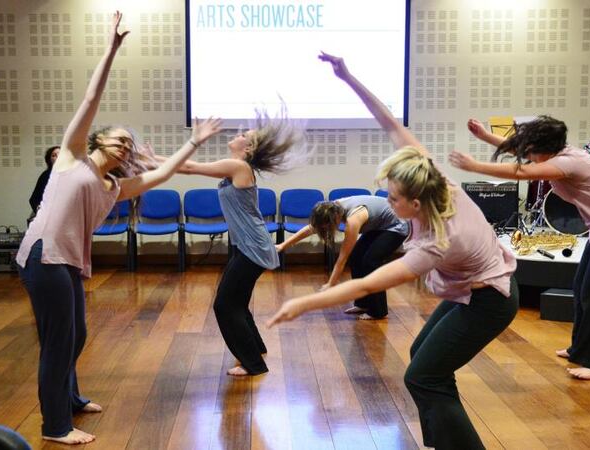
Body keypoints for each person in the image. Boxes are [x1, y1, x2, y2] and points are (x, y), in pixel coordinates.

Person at [268, 52, 518, 450]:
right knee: (423, 357)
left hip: (490, 301)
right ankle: (442, 442)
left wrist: (305, 303)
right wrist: (348, 77)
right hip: (472, 290)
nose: (387, 201)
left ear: (414, 204)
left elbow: (369, 283)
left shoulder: (439, 241)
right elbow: (389, 122)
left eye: (393, 198)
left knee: (423, 375)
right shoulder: (435, 180)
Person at [14, 12, 222, 445]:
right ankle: (55, 426)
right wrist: (111, 49)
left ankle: (70, 399)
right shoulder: (73, 158)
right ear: (97, 140)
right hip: (43, 254)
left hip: (66, 260)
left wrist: (194, 141)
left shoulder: (114, 186)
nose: (126, 146)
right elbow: (91, 99)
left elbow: (162, 173)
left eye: (130, 143)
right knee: (58, 341)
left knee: (76, 335)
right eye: (120, 139)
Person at [450, 116, 590, 381]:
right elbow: (521, 150)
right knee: (582, 289)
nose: (526, 154)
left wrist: (474, 166)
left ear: (542, 148)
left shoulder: (568, 163)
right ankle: (580, 349)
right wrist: (485, 136)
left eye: (530, 149)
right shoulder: (558, 154)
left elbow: (521, 172)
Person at [177, 109, 304, 376]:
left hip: (253, 247)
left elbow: (187, 167)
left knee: (225, 305)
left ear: (248, 148)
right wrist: (147, 160)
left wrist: (146, 160)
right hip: (246, 245)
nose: (237, 134)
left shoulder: (238, 167)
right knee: (237, 302)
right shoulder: (236, 168)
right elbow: (185, 167)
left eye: (244, 134)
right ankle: (255, 349)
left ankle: (253, 364)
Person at [275, 195, 408, 319]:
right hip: (379, 225)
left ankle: (378, 311)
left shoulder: (353, 220)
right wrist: (283, 245)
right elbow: (310, 229)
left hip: (398, 224)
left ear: (335, 219)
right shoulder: (331, 208)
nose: (326, 229)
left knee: (371, 261)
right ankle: (363, 303)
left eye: (328, 226)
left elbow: (342, 259)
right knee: (356, 257)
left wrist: (331, 284)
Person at [29, 145, 60, 214]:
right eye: (54, 155)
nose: (58, 157)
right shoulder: (45, 175)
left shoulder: (73, 175)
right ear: (50, 160)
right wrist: (39, 210)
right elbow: (34, 199)